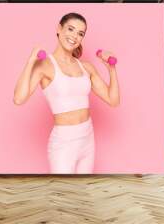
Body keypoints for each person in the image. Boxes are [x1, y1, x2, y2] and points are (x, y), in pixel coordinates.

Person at [13, 12, 120, 174]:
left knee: (83, 194)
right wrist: (30, 62)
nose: (74, 36)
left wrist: (111, 69)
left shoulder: (86, 67)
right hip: (63, 142)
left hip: (88, 138)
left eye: (80, 33)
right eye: (70, 29)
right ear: (59, 29)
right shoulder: (45, 65)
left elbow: (113, 101)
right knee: (63, 195)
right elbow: (19, 99)